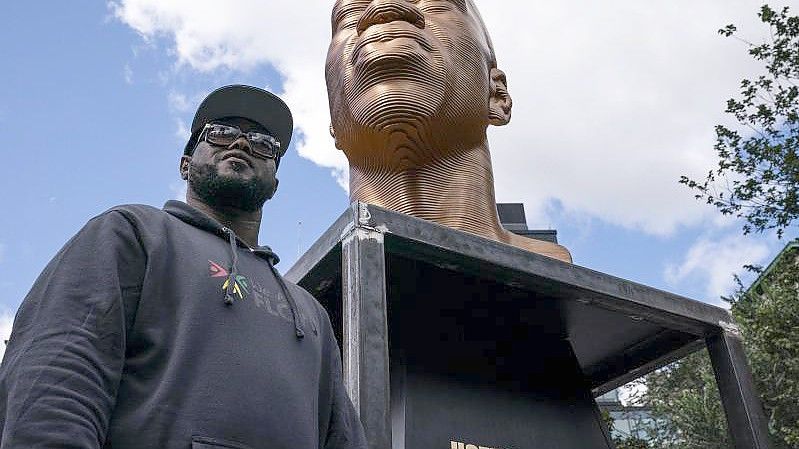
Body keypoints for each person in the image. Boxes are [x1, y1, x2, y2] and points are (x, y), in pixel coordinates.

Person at [0, 85, 367, 449]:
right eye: (221, 133)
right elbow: (55, 380)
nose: (241, 144)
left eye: (262, 143)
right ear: (185, 164)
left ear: (274, 184)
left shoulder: (311, 314)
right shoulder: (132, 232)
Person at [325, 0, 572, 263]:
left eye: (434, 3)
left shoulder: (554, 272)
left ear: (497, 94)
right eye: (349, 16)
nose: (383, 8)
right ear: (333, 116)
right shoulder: (296, 302)